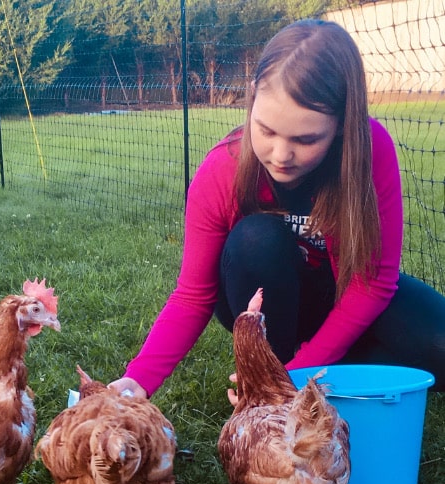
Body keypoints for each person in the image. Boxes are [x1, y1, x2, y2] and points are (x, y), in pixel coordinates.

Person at [108, 18, 445, 400]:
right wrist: (139, 378)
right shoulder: (222, 168)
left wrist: (298, 373)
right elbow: (192, 295)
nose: (281, 155)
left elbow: (373, 285)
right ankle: (283, 370)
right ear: (252, 100)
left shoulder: (370, 152)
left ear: (342, 125)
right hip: (269, 298)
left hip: (342, 297)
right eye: (266, 130)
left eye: (305, 139)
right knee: (256, 238)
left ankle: (327, 368)